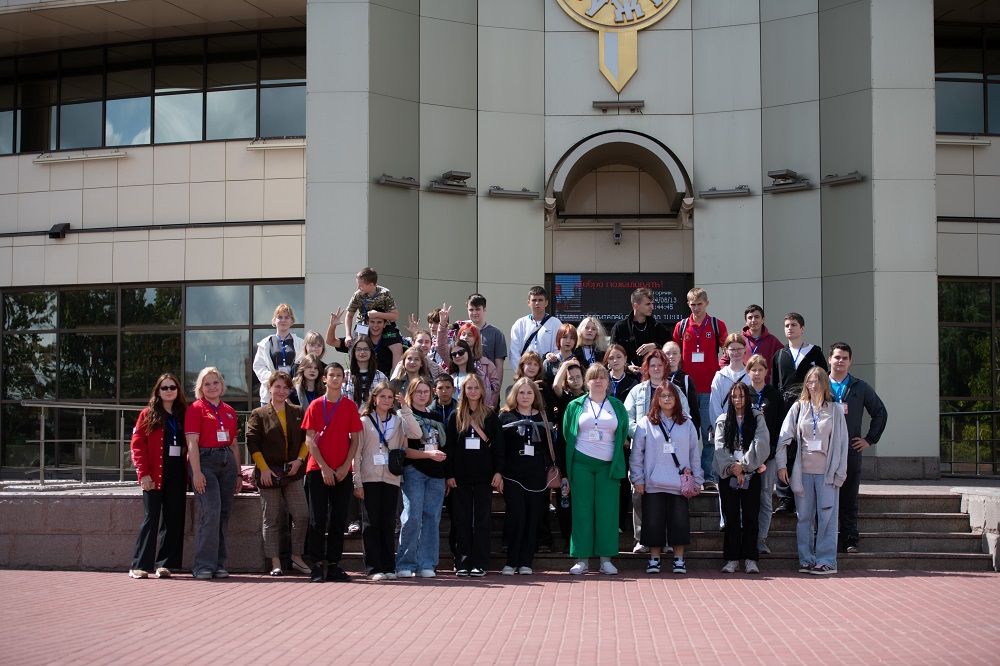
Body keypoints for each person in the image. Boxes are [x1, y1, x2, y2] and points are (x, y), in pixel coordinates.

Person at [776, 367, 849, 575]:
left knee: (827, 517)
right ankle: (806, 559)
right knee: (804, 517)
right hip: (803, 472)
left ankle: (826, 561)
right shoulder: (799, 408)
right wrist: (782, 465)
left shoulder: (835, 410)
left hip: (827, 473)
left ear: (825, 384)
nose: (813, 386)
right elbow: (784, 438)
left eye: (817, 381)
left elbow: (843, 444)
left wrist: (840, 473)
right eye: (810, 382)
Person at [562, 364, 629, 575]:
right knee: (582, 511)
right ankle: (582, 559)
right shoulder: (575, 405)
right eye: (593, 378)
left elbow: (623, 431)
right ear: (587, 381)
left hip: (608, 466)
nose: (598, 381)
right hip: (581, 464)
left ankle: (606, 559)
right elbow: (567, 433)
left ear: (608, 382)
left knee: (607, 512)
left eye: (602, 378)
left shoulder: (617, 406)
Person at [630, 382, 702, 575]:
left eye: (671, 395)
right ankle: (654, 559)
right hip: (653, 483)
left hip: (679, 484)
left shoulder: (687, 423)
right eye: (663, 396)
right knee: (653, 523)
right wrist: (638, 479)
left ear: (677, 399)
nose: (667, 399)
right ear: (657, 399)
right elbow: (636, 454)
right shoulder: (646, 422)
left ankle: (679, 560)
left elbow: (695, 454)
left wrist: (698, 480)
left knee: (679, 522)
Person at [354, 382, 421, 580]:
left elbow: (416, 433)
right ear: (374, 399)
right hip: (369, 477)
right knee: (371, 523)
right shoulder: (364, 421)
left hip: (391, 477)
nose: (386, 400)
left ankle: (388, 566)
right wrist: (357, 481)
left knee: (387, 523)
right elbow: (356, 453)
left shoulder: (398, 420)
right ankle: (373, 568)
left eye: (390, 397)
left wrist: (406, 409)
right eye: (382, 396)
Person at [302, 363, 363, 583]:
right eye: (331, 375)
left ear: (343, 380)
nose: (335, 379)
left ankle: (335, 565)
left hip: (342, 471)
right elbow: (309, 439)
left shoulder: (349, 406)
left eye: (339, 375)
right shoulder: (316, 405)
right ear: (325, 379)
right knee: (318, 519)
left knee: (338, 519)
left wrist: (347, 465)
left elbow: (355, 439)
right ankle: (317, 565)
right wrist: (325, 467)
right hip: (319, 469)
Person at [245, 372, 310, 577]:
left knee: (301, 515)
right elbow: (252, 442)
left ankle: (296, 557)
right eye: (278, 386)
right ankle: (275, 562)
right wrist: (263, 469)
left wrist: (299, 461)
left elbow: (306, 439)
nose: (281, 391)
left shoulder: (298, 411)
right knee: (271, 519)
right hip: (268, 473)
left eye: (285, 387)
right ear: (270, 388)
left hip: (292, 473)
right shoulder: (259, 413)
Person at [828, 342, 888, 554]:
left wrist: (869, 440)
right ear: (830, 359)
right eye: (837, 357)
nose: (840, 361)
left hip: (850, 451)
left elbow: (880, 412)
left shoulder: (859, 387)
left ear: (850, 361)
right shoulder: (819, 385)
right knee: (823, 498)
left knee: (849, 497)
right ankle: (824, 541)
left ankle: (850, 539)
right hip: (822, 453)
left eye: (845, 358)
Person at [128, 373, 188, 579]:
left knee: (173, 518)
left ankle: (165, 564)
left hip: (177, 473)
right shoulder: (148, 414)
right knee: (151, 518)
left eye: (173, 387)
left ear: (178, 390)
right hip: (154, 474)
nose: (169, 391)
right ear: (158, 391)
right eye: (164, 388)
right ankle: (139, 565)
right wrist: (143, 474)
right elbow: (137, 446)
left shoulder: (183, 414)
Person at [443, 374, 503, 576]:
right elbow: (449, 447)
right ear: (463, 391)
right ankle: (463, 562)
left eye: (476, 387)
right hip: (460, 477)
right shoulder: (455, 416)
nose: (473, 391)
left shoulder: (490, 416)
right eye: (469, 388)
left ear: (482, 390)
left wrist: (498, 472)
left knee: (482, 520)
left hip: (484, 476)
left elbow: (499, 448)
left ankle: (480, 563)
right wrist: (449, 474)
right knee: (461, 521)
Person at [184, 367, 240, 580]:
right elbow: (192, 443)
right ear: (201, 388)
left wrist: (238, 475)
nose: (212, 387)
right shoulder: (196, 409)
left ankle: (218, 563)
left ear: (221, 385)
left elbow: (234, 444)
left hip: (227, 462)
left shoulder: (229, 410)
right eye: (207, 384)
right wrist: (196, 472)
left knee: (224, 513)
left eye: (215, 383)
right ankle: (203, 565)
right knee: (210, 512)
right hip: (205, 462)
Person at [771, 312, 829, 514]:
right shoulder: (779, 355)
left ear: (802, 328)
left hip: (809, 404)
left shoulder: (815, 352)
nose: (790, 328)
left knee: (806, 449)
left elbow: (824, 379)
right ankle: (786, 498)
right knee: (786, 448)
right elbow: (775, 385)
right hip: (786, 406)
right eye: (787, 325)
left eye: (794, 325)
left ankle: (805, 495)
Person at [498, 378, 556, 575]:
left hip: (536, 473)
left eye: (529, 393)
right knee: (517, 516)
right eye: (521, 392)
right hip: (513, 473)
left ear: (535, 396)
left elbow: (549, 447)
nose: (525, 396)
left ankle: (526, 561)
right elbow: (499, 448)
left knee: (533, 518)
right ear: (515, 395)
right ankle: (511, 560)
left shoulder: (543, 416)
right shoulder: (505, 416)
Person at [672, 287, 728, 488]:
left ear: (707, 303)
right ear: (688, 304)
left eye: (699, 304)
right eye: (692, 304)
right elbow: (674, 352)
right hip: (686, 389)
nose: (696, 308)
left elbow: (727, 350)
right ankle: (687, 472)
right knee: (686, 433)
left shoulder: (716, 324)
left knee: (708, 434)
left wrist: (720, 368)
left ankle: (708, 476)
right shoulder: (682, 325)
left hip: (708, 388)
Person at [714, 382, 770, 574]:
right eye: (734, 396)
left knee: (750, 516)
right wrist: (733, 468)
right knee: (730, 518)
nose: (738, 400)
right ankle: (731, 558)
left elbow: (761, 442)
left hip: (752, 472)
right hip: (728, 474)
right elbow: (719, 447)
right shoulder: (723, 419)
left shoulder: (757, 417)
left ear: (747, 398)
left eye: (742, 396)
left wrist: (744, 467)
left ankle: (750, 558)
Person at [623, 349, 674, 554]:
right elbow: (626, 418)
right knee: (639, 494)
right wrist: (644, 434)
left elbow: (684, 416)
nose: (656, 369)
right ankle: (642, 538)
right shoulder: (637, 391)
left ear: (665, 368)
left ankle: (669, 538)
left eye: (660, 365)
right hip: (642, 451)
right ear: (646, 368)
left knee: (668, 495)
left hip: (668, 453)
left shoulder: (674, 391)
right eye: (652, 365)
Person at [397, 378, 448, 578]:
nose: (422, 395)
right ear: (411, 393)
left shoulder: (435, 415)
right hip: (414, 471)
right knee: (411, 516)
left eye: (426, 391)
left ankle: (427, 563)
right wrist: (428, 455)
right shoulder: (404, 415)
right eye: (418, 391)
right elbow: (404, 450)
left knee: (431, 518)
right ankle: (405, 564)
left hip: (436, 474)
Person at [746, 354, 782, 554]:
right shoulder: (744, 393)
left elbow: (780, 426)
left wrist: (771, 453)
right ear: (748, 371)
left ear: (767, 372)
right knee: (746, 497)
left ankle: (761, 538)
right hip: (747, 458)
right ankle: (746, 535)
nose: (757, 373)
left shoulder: (774, 395)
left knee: (766, 498)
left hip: (769, 458)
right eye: (753, 369)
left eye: (761, 369)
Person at [437, 317, 501, 407]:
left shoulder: (486, 363)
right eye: (463, 334)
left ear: (476, 339)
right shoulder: (455, 359)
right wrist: (443, 326)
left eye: (470, 335)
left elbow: (495, 386)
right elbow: (441, 347)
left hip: (479, 410)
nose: (466, 337)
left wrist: (488, 408)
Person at [253, 303, 304, 405]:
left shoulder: (301, 343)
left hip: (293, 394)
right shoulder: (265, 343)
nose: (283, 320)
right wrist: (274, 381)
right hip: (270, 395)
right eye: (279, 317)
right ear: (274, 320)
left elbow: (304, 365)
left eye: (287, 317)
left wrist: (294, 382)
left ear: (292, 321)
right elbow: (258, 366)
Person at [719, 305, 784, 383]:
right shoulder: (740, 340)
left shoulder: (772, 340)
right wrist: (731, 376)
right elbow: (723, 361)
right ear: (746, 321)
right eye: (750, 318)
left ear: (763, 320)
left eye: (757, 317)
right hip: (743, 387)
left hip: (764, 385)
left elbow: (783, 359)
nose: (753, 320)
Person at [610, 287, 671, 369]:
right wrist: (627, 367)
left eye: (652, 304)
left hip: (652, 376)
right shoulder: (620, 328)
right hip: (628, 377)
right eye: (648, 304)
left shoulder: (658, 327)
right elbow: (612, 355)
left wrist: (655, 346)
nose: (652, 307)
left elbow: (671, 348)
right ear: (636, 306)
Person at [330, 308, 401, 376]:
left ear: (385, 324)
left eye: (379, 322)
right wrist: (332, 326)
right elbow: (331, 341)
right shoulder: (359, 340)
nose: (375, 326)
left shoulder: (392, 342)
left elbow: (410, 351)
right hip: (359, 381)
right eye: (372, 322)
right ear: (367, 323)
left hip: (383, 383)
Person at [509, 286, 563, 372]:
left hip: (547, 375)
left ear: (546, 303)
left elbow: (559, 350)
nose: (537, 303)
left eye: (540, 300)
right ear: (528, 302)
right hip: (525, 375)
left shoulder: (556, 323)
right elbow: (514, 354)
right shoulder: (519, 324)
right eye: (534, 300)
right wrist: (521, 374)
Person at [343, 266, 399, 345]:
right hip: (363, 325)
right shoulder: (358, 295)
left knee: (396, 344)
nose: (358, 287)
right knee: (358, 343)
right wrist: (348, 335)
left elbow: (395, 316)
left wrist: (377, 314)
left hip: (383, 325)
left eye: (361, 285)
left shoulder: (385, 293)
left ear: (371, 285)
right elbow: (349, 316)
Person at [465, 293, 508, 387]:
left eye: (477, 309)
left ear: (484, 309)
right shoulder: (462, 333)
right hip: (465, 386)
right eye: (471, 309)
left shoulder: (497, 334)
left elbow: (499, 366)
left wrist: (496, 390)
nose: (474, 312)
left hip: (487, 387)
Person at [709, 333, 753, 425]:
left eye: (739, 349)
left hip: (747, 425)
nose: (736, 352)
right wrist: (721, 426)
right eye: (732, 349)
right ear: (726, 351)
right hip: (725, 426)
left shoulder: (750, 375)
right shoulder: (720, 376)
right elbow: (715, 406)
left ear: (745, 349)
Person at [662, 341, 700, 437]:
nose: (671, 356)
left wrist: (693, 433)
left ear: (680, 356)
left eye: (675, 353)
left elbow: (694, 409)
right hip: (661, 428)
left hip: (681, 428)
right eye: (667, 353)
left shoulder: (686, 380)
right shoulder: (657, 379)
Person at [446, 339, 495, 408]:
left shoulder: (480, 375)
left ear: (468, 353)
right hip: (456, 415)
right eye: (454, 354)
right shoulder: (451, 378)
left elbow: (487, 400)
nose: (457, 356)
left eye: (461, 352)